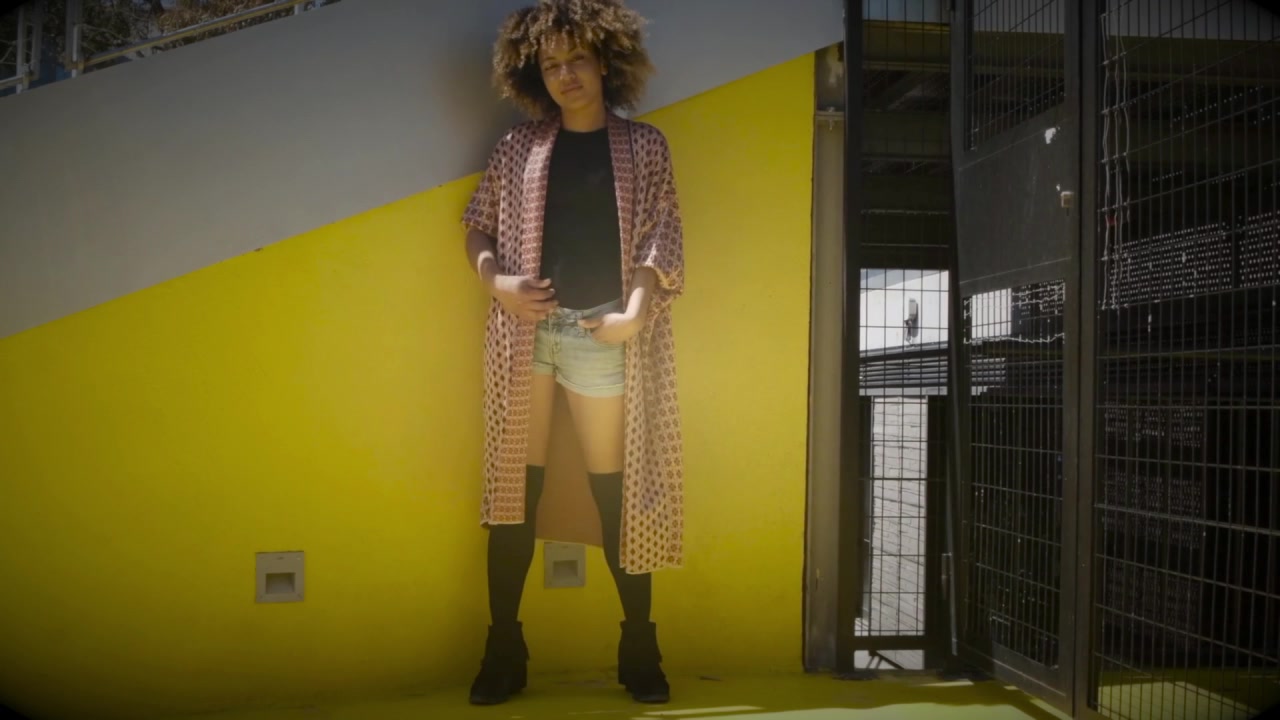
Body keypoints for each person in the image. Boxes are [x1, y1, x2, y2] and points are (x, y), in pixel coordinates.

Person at [459, 0, 687, 707]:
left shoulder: (644, 145)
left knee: (615, 492)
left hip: (600, 336)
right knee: (512, 494)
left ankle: (639, 650)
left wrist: (634, 314)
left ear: (605, 61)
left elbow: (662, 236)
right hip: (525, 335)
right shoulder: (519, 147)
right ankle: (504, 652)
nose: (565, 75)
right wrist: (498, 284)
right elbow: (476, 224)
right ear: (535, 73)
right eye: (551, 64)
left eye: (577, 59)